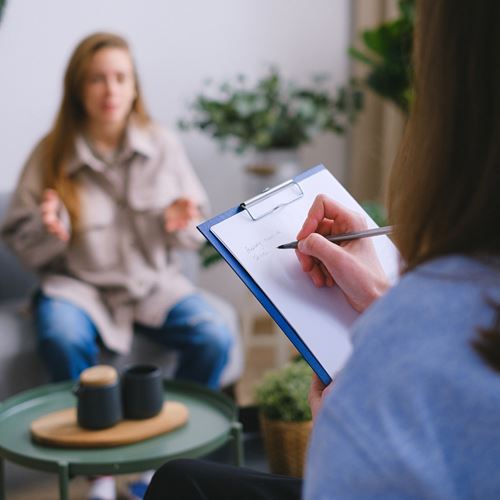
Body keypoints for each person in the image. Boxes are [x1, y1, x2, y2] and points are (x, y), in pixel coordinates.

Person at [144, 1, 500, 499]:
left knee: (179, 485)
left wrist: (339, 431)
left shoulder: (413, 358)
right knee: (184, 478)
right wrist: (379, 296)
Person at [1, 32, 232, 500]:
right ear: (77, 89)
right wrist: (51, 232)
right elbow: (22, 248)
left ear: (134, 87)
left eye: (120, 78)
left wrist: (179, 225)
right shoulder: (49, 154)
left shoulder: (163, 144)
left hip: (153, 287)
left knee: (215, 334)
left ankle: (160, 467)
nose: (110, 90)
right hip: (77, 289)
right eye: (97, 80)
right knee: (59, 334)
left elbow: (197, 234)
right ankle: (98, 475)